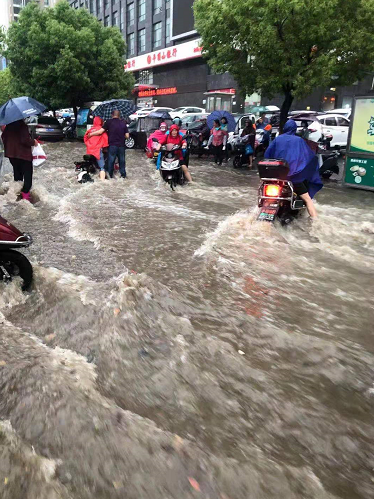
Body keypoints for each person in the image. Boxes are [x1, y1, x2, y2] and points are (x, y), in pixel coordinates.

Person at [264, 119, 322, 218]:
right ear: (294, 129)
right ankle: (316, 222)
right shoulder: (299, 141)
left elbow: (267, 155)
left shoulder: (278, 139)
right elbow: (308, 156)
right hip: (294, 178)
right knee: (308, 199)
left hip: (277, 178)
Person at [2, 119, 38, 202]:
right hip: (24, 156)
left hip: (12, 155)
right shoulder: (22, 125)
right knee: (28, 177)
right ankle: (25, 199)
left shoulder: (8, 126)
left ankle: (17, 197)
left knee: (18, 177)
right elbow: (25, 140)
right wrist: (33, 142)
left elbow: (3, 137)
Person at [88, 110, 129, 179]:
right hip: (121, 145)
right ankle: (123, 175)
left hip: (112, 145)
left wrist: (91, 134)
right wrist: (121, 135)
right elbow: (127, 136)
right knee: (122, 161)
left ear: (112, 115)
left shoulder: (108, 122)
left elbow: (100, 132)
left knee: (111, 160)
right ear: (119, 115)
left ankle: (110, 175)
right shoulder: (123, 123)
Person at [84, 116, 109, 181]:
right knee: (102, 167)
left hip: (89, 151)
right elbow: (106, 141)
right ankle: (102, 182)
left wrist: (89, 145)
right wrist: (105, 148)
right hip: (97, 151)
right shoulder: (102, 130)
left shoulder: (90, 130)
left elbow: (85, 139)